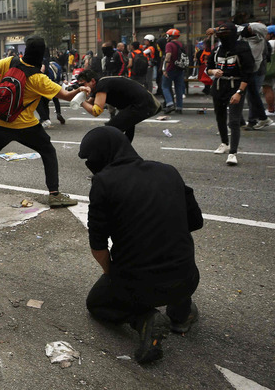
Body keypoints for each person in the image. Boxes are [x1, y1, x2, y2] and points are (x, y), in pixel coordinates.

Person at [78, 126, 202, 364]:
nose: (89, 164)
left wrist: (113, 277)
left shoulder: (104, 183)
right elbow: (195, 222)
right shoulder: (169, 171)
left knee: (96, 303)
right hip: (186, 277)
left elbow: (98, 246)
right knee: (175, 274)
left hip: (139, 285)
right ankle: (180, 313)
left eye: (89, 159)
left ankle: (144, 319)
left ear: (103, 154)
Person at [0, 35, 89, 207]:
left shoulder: (10, 61)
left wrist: (0, 76)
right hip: (24, 126)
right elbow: (67, 97)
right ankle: (54, 194)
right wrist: (80, 89)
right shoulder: (39, 79)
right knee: (48, 151)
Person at [206, 22, 256, 166]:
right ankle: (224, 143)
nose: (223, 37)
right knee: (219, 116)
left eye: (226, 34)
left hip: (236, 86)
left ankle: (233, 152)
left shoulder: (243, 49)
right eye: (220, 35)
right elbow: (208, 68)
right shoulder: (216, 51)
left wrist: (239, 92)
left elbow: (248, 73)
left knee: (234, 120)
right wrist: (213, 72)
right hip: (219, 85)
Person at [77, 71, 161, 142]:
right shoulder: (99, 85)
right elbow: (90, 103)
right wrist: (78, 97)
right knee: (125, 128)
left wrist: (80, 102)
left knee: (110, 129)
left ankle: (114, 156)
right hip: (139, 104)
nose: (82, 87)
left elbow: (96, 111)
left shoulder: (102, 85)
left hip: (144, 104)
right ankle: (125, 156)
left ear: (92, 81)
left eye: (83, 84)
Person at [236, 14, 272, 131]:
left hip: (254, 70)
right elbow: (235, 28)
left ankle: (252, 120)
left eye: (250, 28)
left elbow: (252, 60)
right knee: (252, 95)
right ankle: (260, 118)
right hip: (250, 70)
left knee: (251, 96)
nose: (247, 29)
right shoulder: (248, 36)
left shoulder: (256, 44)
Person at [161, 29, 186, 114]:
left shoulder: (169, 44)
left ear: (170, 36)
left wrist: (164, 69)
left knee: (165, 86)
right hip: (180, 68)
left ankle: (170, 104)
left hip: (171, 68)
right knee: (178, 88)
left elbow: (168, 57)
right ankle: (179, 107)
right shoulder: (181, 44)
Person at [261, 25, 275, 116]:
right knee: (268, 88)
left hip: (269, 68)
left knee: (267, 88)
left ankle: (270, 109)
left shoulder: (272, 42)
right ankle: (271, 109)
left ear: (272, 34)